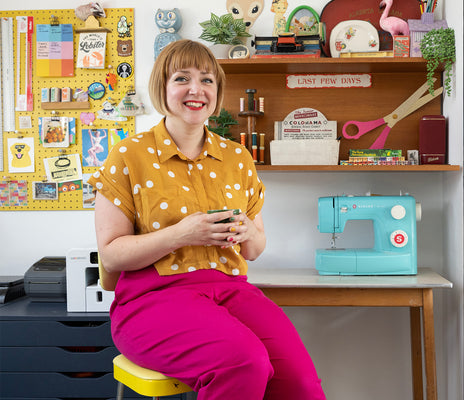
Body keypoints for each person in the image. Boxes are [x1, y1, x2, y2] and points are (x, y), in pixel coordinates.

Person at [89, 39, 327, 400]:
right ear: (162, 88)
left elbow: (255, 249)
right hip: (151, 298)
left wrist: (248, 231)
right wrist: (180, 234)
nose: (196, 90)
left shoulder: (237, 157)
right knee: (244, 362)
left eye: (208, 80)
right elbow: (111, 256)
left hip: (230, 289)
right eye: (182, 78)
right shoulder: (128, 155)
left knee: (300, 383)